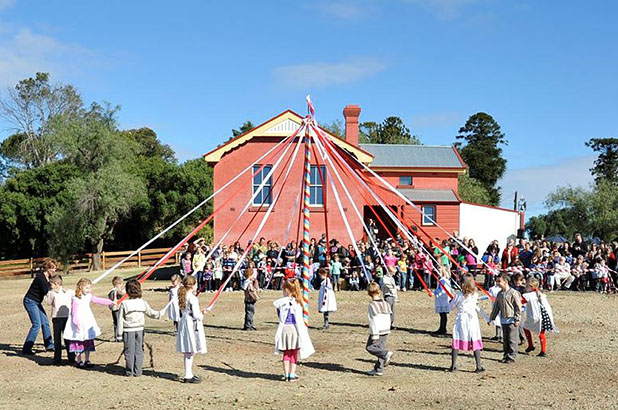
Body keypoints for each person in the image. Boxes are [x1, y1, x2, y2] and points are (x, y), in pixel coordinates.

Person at [116, 279, 163, 377]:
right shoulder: (142, 302)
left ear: (128, 291)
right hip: (140, 330)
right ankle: (138, 371)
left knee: (129, 351)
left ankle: (130, 372)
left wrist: (119, 335)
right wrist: (159, 314)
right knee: (139, 350)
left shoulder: (124, 304)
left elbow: (119, 320)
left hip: (128, 331)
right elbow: (151, 313)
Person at [64, 278, 114, 368]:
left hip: (87, 321)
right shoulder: (76, 298)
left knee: (87, 339)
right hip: (79, 321)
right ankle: (79, 360)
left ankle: (87, 359)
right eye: (87, 288)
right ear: (80, 287)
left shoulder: (89, 296)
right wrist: (76, 322)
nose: (89, 290)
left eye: (90, 288)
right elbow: (74, 312)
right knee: (79, 340)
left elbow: (98, 300)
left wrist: (110, 302)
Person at [273, 278, 315, 382]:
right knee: (294, 353)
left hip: (285, 330)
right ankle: (291, 374)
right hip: (295, 330)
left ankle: (286, 374)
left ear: (287, 290)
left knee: (286, 353)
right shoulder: (298, 302)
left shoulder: (281, 303)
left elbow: (279, 315)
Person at [448, 274, 485, 373]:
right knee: (474, 339)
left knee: (457, 339)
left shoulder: (458, 295)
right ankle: (478, 366)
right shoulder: (475, 295)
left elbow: (450, 307)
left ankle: (453, 366)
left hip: (462, 319)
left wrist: (450, 301)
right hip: (472, 320)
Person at [22, 258, 57, 355]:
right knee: (36, 324)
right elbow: (47, 291)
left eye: (55, 268)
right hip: (30, 301)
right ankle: (26, 348)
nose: (54, 270)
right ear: (47, 268)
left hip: (37, 302)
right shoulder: (41, 278)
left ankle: (49, 345)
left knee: (45, 322)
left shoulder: (48, 278)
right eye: (52, 268)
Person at [176, 275, 207, 383]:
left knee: (188, 350)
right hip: (191, 324)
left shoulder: (183, 295)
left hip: (185, 322)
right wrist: (202, 313)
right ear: (192, 285)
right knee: (190, 350)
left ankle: (188, 373)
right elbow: (196, 315)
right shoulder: (193, 298)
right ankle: (188, 375)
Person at [488, 273, 523, 363]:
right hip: (503, 320)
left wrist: (517, 319)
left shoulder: (513, 293)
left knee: (512, 339)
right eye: (497, 281)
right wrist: (491, 318)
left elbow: (518, 307)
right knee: (506, 339)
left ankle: (512, 356)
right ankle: (506, 355)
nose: (497, 283)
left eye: (499, 281)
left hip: (512, 320)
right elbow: (496, 307)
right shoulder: (499, 294)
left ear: (506, 282)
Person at [44, 274, 75, 364]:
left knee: (59, 339)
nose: (50, 286)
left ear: (57, 284)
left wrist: (46, 296)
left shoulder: (52, 293)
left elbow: (48, 303)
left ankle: (59, 359)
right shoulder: (69, 292)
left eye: (51, 285)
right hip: (63, 318)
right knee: (66, 339)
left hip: (59, 318)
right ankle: (70, 358)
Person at [522, 278, 557, 357]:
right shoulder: (541, 294)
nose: (525, 287)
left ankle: (531, 345)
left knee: (525, 327)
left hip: (535, 317)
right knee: (541, 333)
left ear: (531, 287)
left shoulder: (528, 296)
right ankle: (543, 350)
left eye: (527, 286)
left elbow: (520, 301)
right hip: (544, 316)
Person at [365, 282, 394, 376]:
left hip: (378, 330)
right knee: (381, 348)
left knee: (370, 347)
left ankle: (386, 354)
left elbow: (373, 321)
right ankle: (379, 369)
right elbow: (390, 317)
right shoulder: (386, 303)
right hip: (386, 329)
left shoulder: (372, 305)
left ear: (369, 293)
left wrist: (374, 335)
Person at [433, 266, 452, 336]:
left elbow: (440, 288)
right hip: (443, 299)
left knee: (443, 315)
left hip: (443, 299)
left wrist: (434, 293)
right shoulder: (444, 279)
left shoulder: (443, 280)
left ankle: (443, 329)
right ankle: (441, 328)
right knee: (442, 315)